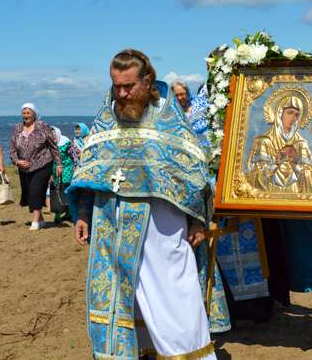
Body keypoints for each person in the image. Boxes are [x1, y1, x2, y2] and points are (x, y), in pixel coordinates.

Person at [68, 49, 215, 359]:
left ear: (148, 80)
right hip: (109, 223)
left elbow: (194, 174)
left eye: (129, 86)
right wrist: (83, 213)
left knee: (173, 294)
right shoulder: (107, 115)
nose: (121, 94)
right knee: (120, 296)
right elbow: (89, 168)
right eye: (116, 86)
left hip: (161, 227)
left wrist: (198, 220)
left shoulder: (169, 120)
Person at [246, 89, 312, 193]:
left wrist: (294, 163)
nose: (293, 118)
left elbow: (310, 177)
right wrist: (276, 163)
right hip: (268, 194)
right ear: (279, 114)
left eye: (297, 115)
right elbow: (253, 176)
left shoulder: (301, 143)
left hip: (295, 194)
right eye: (290, 113)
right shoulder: (264, 141)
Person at [9, 103, 61, 231]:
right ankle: (41, 219)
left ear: (34, 114)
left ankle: (35, 221)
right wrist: (16, 161)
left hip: (43, 164)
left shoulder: (42, 126)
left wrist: (59, 164)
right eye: (24, 113)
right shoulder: (17, 128)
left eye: (28, 113)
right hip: (24, 167)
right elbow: (12, 149)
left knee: (36, 190)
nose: (26, 115)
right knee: (29, 193)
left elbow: (53, 147)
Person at [50, 127, 77, 223]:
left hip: (67, 169)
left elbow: (74, 156)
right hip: (54, 170)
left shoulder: (66, 143)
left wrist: (75, 167)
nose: (53, 136)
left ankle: (69, 212)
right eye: (51, 134)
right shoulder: (49, 145)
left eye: (54, 134)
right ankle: (57, 214)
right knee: (56, 190)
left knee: (66, 189)